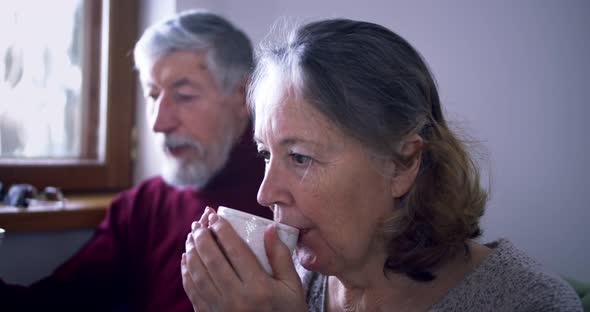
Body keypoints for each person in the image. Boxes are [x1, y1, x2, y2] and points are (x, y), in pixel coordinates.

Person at [181, 18, 583, 311]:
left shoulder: (528, 302)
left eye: (300, 157)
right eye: (266, 154)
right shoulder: (288, 286)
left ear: (402, 164)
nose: (265, 193)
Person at [0, 10, 271, 312]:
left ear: (243, 95)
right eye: (153, 96)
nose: (158, 123)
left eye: (183, 96)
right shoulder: (142, 205)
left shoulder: (282, 200)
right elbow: (53, 304)